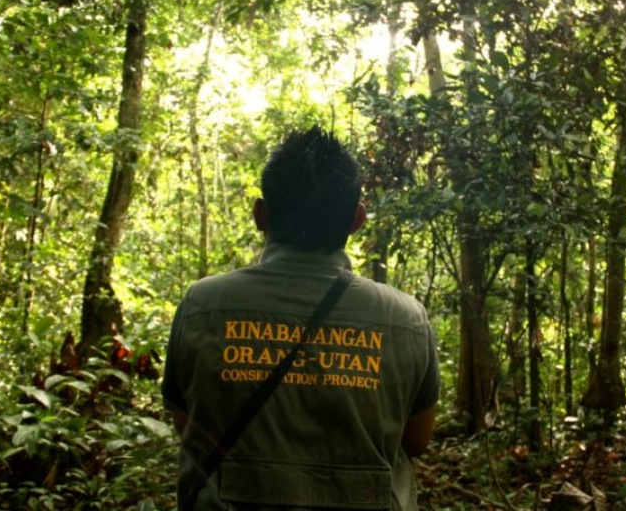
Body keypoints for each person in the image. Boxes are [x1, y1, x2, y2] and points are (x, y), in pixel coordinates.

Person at [162, 126, 439, 510]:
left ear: (261, 215)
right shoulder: (407, 320)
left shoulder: (203, 305)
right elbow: (415, 441)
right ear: (357, 220)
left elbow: (185, 422)